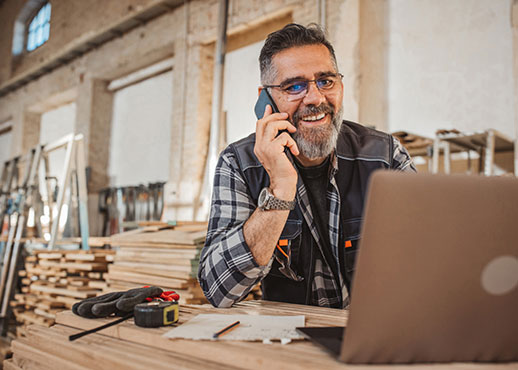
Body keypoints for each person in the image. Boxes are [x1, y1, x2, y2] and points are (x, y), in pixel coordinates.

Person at [198, 23, 415, 309]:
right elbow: (218, 289)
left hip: (373, 335)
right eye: (294, 86)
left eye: (326, 81)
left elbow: (426, 261)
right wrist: (280, 189)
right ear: (266, 99)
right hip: (290, 345)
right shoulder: (238, 163)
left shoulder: (385, 156)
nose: (315, 98)